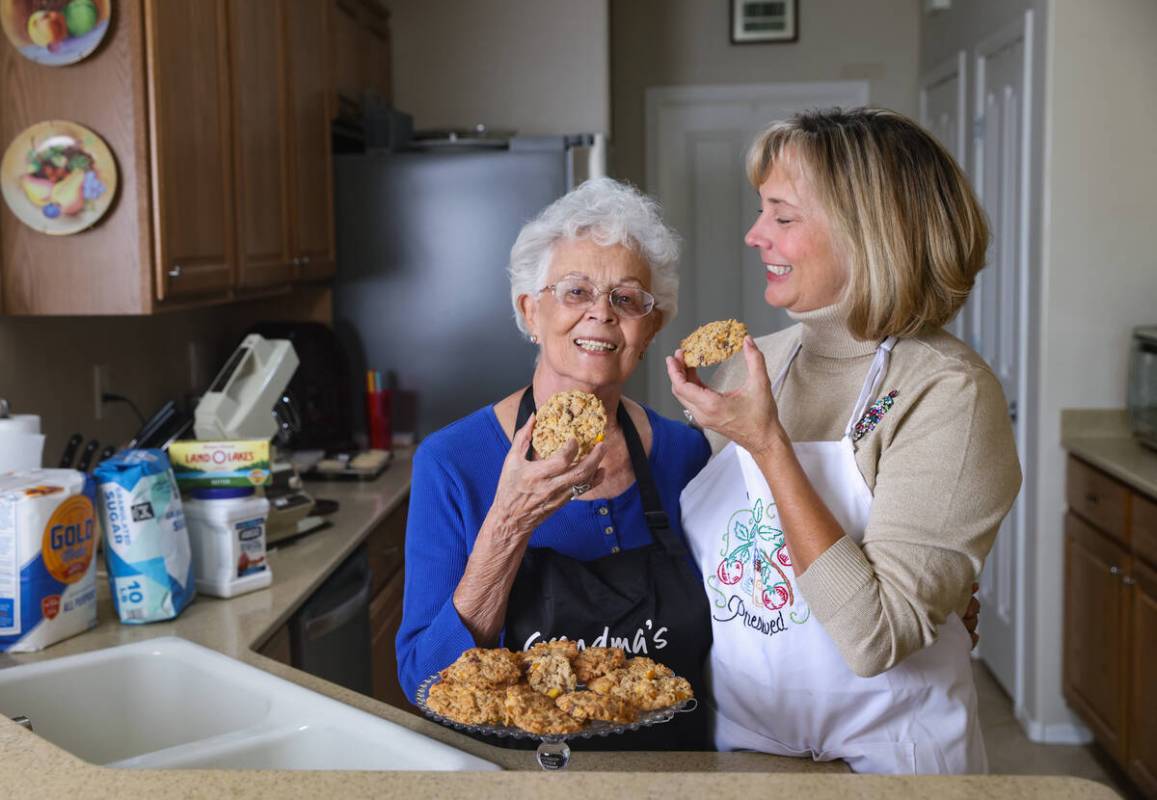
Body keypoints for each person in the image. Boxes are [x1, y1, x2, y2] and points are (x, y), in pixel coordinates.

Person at [666, 107, 1021, 774]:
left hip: (893, 759)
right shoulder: (751, 363)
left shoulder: (946, 391)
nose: (753, 235)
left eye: (781, 215)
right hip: (742, 746)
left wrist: (769, 448)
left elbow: (875, 637)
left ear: (867, 233)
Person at [395, 177, 713, 749]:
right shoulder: (452, 463)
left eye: (627, 297)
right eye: (575, 292)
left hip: (673, 775)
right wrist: (508, 522)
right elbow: (425, 683)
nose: (602, 314)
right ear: (529, 311)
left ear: (652, 326)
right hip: (525, 782)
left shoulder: (687, 453)